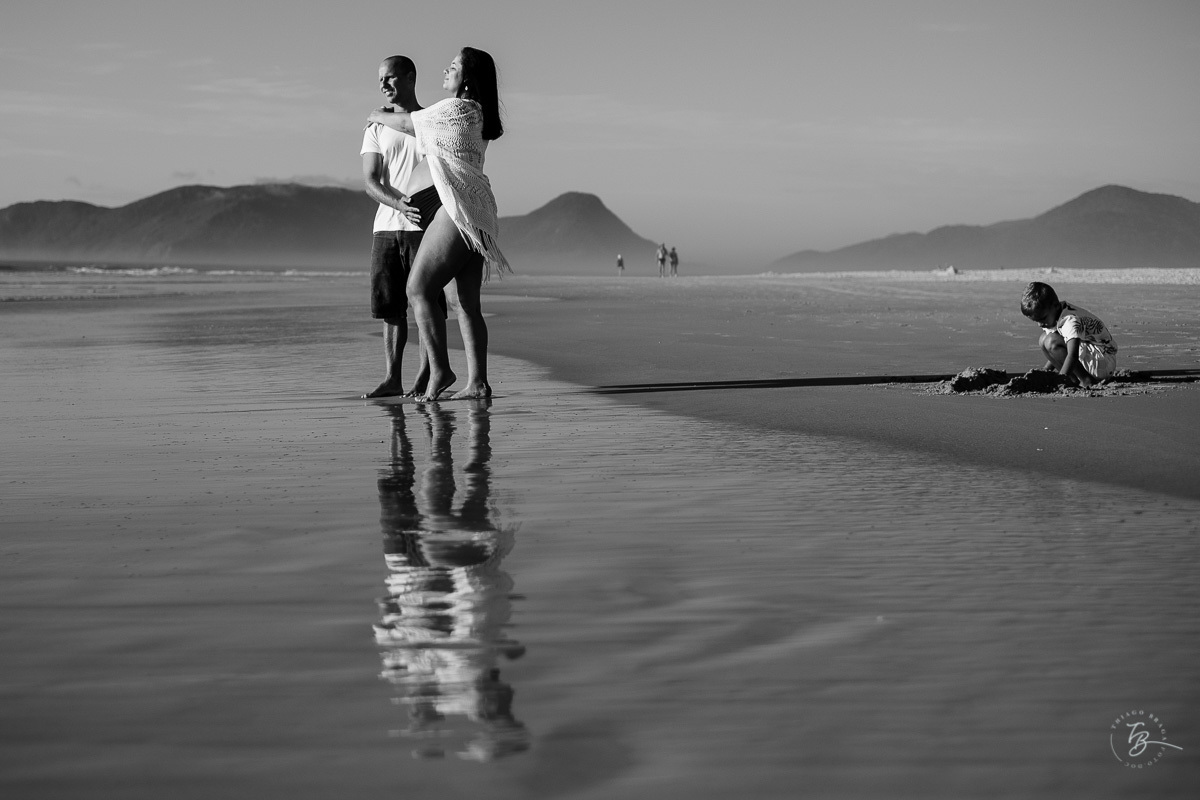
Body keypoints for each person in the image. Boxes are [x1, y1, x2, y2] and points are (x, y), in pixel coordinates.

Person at [367, 47, 508, 401]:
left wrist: (375, 114)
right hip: (471, 209)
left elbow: (409, 122)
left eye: (453, 67)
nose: (446, 70)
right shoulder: (474, 113)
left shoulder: (456, 109)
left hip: (456, 209)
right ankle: (478, 382)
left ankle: (441, 369)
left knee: (417, 290)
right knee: (466, 303)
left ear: (467, 79)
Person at [361, 55, 438, 399]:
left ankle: (425, 373)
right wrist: (397, 204)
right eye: (380, 80)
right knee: (390, 307)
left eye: (391, 78)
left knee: (425, 302)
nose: (384, 85)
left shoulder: (430, 121)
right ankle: (393, 378)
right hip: (387, 227)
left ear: (410, 78)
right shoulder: (376, 127)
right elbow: (370, 180)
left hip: (426, 226)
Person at [1019, 281, 1118, 386]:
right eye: (1036, 321)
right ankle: (1073, 379)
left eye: (1043, 319)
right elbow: (1057, 353)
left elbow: (1072, 355)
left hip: (1103, 361)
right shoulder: (1055, 313)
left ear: (1056, 306)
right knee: (1043, 339)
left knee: (1051, 341)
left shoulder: (1069, 321)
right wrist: (1044, 372)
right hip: (1089, 354)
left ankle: (1085, 380)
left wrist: (1060, 380)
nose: (1040, 324)